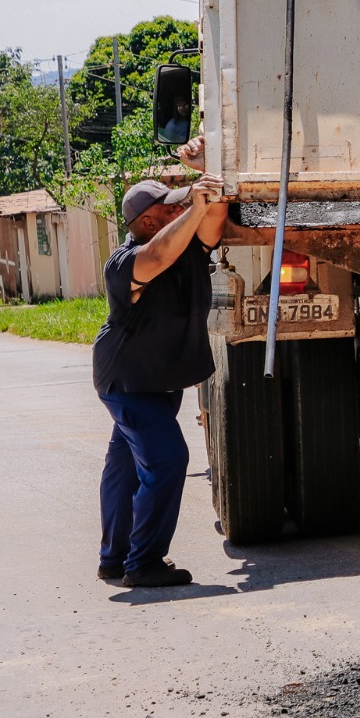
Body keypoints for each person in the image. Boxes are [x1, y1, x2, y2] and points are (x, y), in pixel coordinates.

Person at [92, 137, 225, 587]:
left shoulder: (188, 248)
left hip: (158, 380)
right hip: (128, 382)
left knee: (125, 465)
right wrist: (194, 207)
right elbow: (159, 255)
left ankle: (114, 558)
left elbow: (213, 219)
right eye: (169, 209)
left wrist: (209, 174)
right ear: (147, 221)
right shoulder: (126, 261)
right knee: (167, 460)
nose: (179, 210)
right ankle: (143, 563)